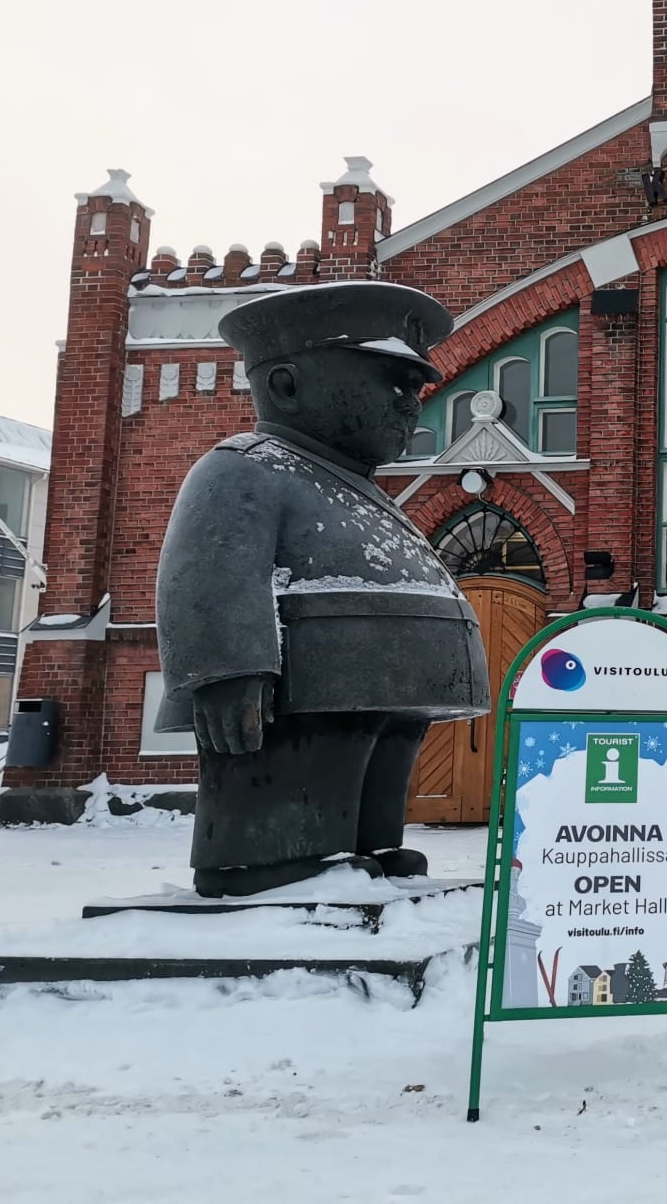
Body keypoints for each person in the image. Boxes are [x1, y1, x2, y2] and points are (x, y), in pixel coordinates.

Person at [155, 281, 489, 897]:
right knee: (305, 766)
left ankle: (370, 845)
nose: (411, 402)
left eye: (415, 387)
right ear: (286, 384)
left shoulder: (350, 485)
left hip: (378, 690)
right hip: (300, 695)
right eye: (392, 382)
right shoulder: (247, 467)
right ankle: (268, 860)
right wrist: (226, 667)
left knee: (374, 761)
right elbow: (207, 572)